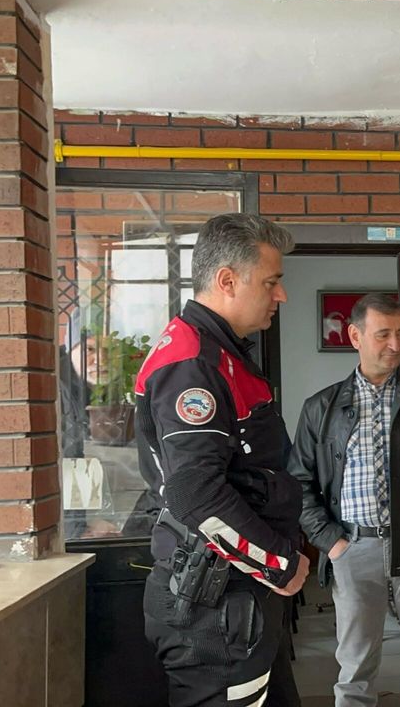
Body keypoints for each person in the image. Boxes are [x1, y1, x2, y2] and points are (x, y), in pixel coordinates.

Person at [136, 213, 308, 707]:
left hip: (235, 600)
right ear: (227, 280)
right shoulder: (193, 363)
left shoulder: (219, 353)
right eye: (271, 282)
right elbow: (194, 492)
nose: (281, 295)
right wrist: (279, 564)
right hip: (216, 607)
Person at [289, 293, 400, 707]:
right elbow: (298, 483)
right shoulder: (321, 408)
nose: (395, 345)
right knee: (355, 666)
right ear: (355, 336)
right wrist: (331, 541)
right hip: (353, 548)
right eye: (383, 334)